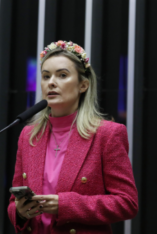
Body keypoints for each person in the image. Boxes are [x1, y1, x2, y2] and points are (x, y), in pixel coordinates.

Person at [7, 40, 138, 234]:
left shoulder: (107, 134)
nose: (51, 82)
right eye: (45, 76)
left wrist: (66, 205)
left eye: (62, 75)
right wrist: (19, 211)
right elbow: (13, 203)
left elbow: (127, 203)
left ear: (83, 85)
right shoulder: (29, 135)